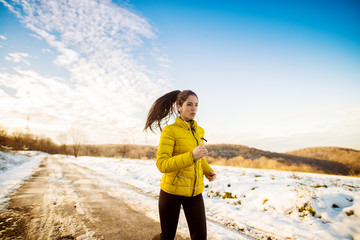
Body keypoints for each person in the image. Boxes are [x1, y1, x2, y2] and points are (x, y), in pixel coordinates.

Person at [144, 90, 216, 240]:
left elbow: (199, 158)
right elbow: (162, 164)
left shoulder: (199, 131)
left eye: (196, 105)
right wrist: (191, 156)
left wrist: (207, 170)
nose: (193, 108)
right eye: (189, 104)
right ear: (179, 107)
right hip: (171, 193)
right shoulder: (170, 131)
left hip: (194, 193)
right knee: (167, 237)